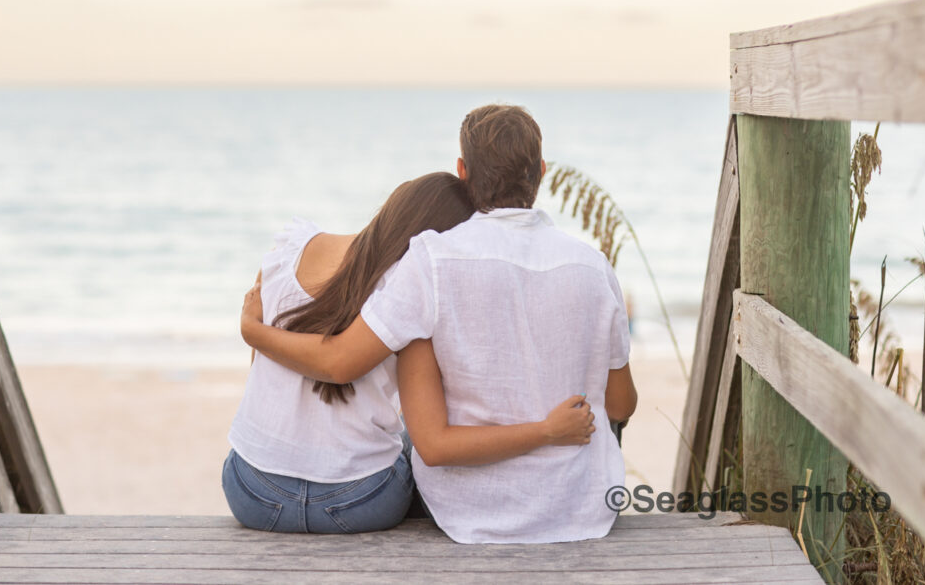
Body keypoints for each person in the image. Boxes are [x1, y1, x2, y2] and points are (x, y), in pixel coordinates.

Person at [239, 105, 637, 544]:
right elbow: (620, 406)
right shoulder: (594, 267)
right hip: (582, 509)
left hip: (466, 513)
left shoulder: (430, 261)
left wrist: (254, 330)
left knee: (412, 430)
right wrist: (550, 425)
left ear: (463, 170)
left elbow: (349, 369)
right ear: (540, 172)